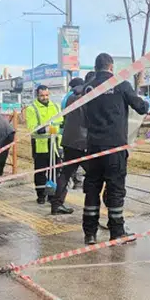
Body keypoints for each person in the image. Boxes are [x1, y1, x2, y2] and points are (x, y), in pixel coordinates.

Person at [81, 53, 150, 243]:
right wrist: (147, 104)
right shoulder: (121, 84)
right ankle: (117, 231)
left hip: (93, 146)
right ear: (111, 67)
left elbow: (82, 113)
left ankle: (90, 233)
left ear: (96, 68)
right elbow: (141, 108)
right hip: (114, 147)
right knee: (115, 189)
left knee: (92, 188)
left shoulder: (88, 87)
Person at [49, 77, 88, 215]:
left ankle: (56, 204)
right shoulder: (89, 96)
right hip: (83, 142)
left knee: (65, 173)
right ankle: (92, 207)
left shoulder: (69, 98)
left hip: (68, 140)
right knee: (95, 174)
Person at [23, 85, 62, 205]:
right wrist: (49, 128)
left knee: (55, 171)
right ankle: (41, 195)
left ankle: (52, 195)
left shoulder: (56, 106)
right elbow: (33, 128)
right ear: (37, 95)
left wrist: (50, 129)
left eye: (46, 95)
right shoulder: (32, 109)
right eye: (42, 95)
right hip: (40, 145)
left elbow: (61, 123)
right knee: (40, 172)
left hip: (55, 144)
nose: (45, 97)